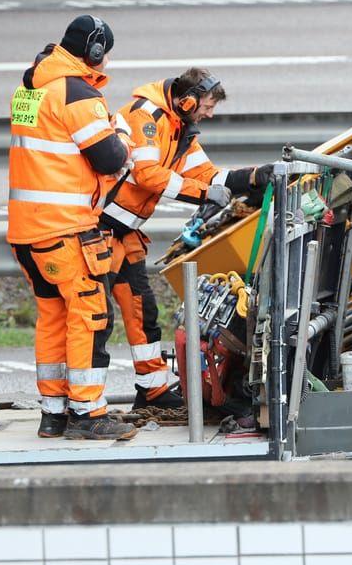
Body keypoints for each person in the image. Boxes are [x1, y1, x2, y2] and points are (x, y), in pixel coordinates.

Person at [100, 67, 273, 408]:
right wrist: (204, 194)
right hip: (98, 232)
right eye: (207, 107)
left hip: (123, 234)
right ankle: (77, 406)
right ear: (188, 100)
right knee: (95, 321)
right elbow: (149, 175)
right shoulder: (146, 117)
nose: (209, 114)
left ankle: (152, 391)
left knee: (143, 313)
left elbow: (209, 174)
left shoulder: (181, 129)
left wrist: (252, 177)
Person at [7, 15, 137, 441]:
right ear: (95, 51)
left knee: (53, 317)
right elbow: (110, 158)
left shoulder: (29, 89)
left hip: (26, 232)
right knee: (90, 316)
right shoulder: (77, 93)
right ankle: (88, 412)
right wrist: (119, 128)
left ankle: (53, 413)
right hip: (63, 229)